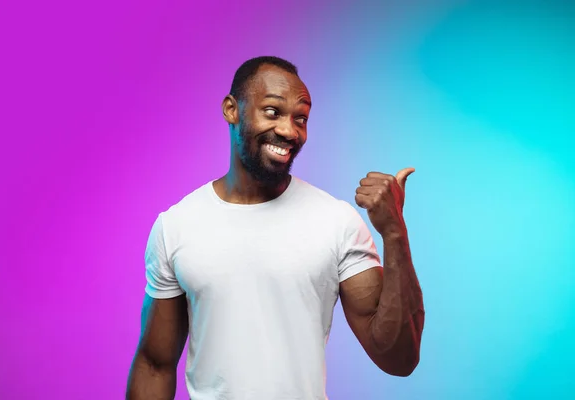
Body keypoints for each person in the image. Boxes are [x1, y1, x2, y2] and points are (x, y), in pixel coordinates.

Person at [126, 56, 425, 400]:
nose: (289, 131)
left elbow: (399, 358)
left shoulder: (336, 221)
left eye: (301, 119)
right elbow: (154, 365)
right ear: (231, 110)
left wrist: (394, 233)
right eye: (273, 112)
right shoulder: (176, 226)